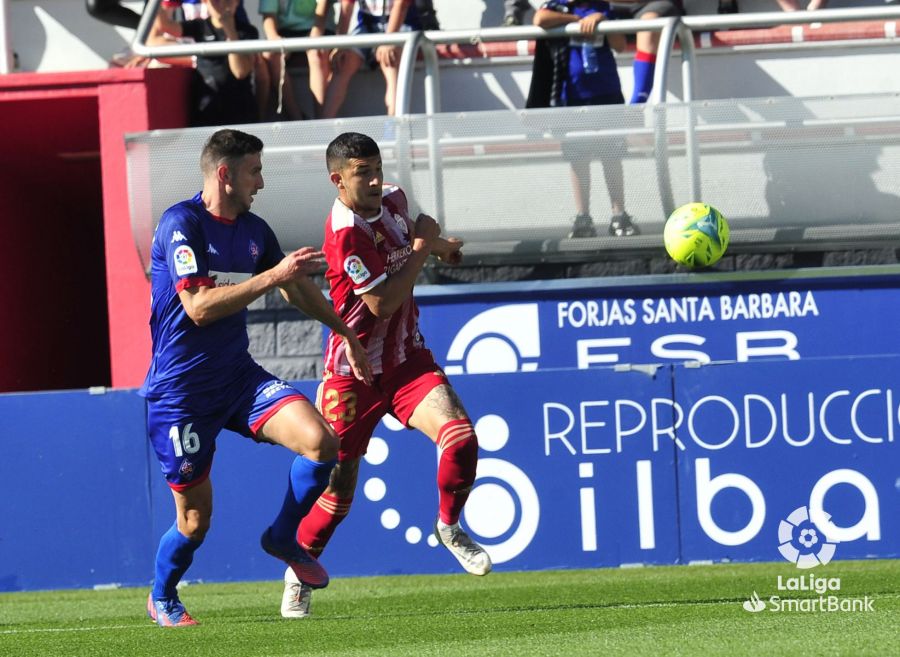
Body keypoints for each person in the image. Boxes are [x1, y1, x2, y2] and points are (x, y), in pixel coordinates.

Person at [140, 128, 373, 627]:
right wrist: (272, 275)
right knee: (195, 521)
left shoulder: (253, 228)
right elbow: (198, 307)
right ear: (225, 174)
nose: (261, 183)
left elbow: (296, 288)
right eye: (255, 171)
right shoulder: (182, 224)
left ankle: (282, 536)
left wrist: (346, 332)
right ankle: (163, 594)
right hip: (180, 395)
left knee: (322, 442)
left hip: (238, 379)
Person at [279, 131, 492, 619]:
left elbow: (411, 242)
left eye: (377, 168)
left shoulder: (393, 199)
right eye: (362, 174)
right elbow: (383, 301)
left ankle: (450, 526)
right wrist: (423, 244)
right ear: (338, 180)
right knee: (339, 491)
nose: (375, 180)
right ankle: (300, 570)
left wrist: (440, 246)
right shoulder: (344, 232)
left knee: (460, 436)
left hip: (406, 360)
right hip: (352, 375)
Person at [529, 0, 639, 238]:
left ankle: (619, 215)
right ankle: (583, 217)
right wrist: (577, 21)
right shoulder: (560, 7)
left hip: (606, 91)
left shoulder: (603, 7)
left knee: (612, 155)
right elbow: (540, 19)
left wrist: (601, 20)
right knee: (578, 158)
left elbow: (620, 45)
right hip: (573, 95)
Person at [152, 0, 261, 126]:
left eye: (228, 1)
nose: (222, 5)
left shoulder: (248, 31)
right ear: (205, 3)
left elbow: (240, 72)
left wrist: (230, 30)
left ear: (237, 2)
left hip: (239, 109)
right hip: (206, 107)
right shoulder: (200, 26)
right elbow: (165, 26)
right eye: (215, 1)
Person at [320, 0, 423, 118]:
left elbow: (401, 6)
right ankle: (325, 127)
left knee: (390, 61)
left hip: (402, 23)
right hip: (367, 25)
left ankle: (393, 128)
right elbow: (346, 7)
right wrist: (340, 45)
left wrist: (389, 41)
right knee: (342, 62)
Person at [258, 0, 336, 120]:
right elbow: (268, 16)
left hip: (320, 29)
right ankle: (297, 118)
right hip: (285, 33)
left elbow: (323, 6)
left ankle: (321, 120)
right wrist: (276, 41)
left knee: (317, 54)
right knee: (271, 55)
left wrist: (315, 36)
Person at [608, 1, 683, 104]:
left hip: (654, 5)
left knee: (649, 23)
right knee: (585, 19)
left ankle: (637, 104)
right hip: (609, 8)